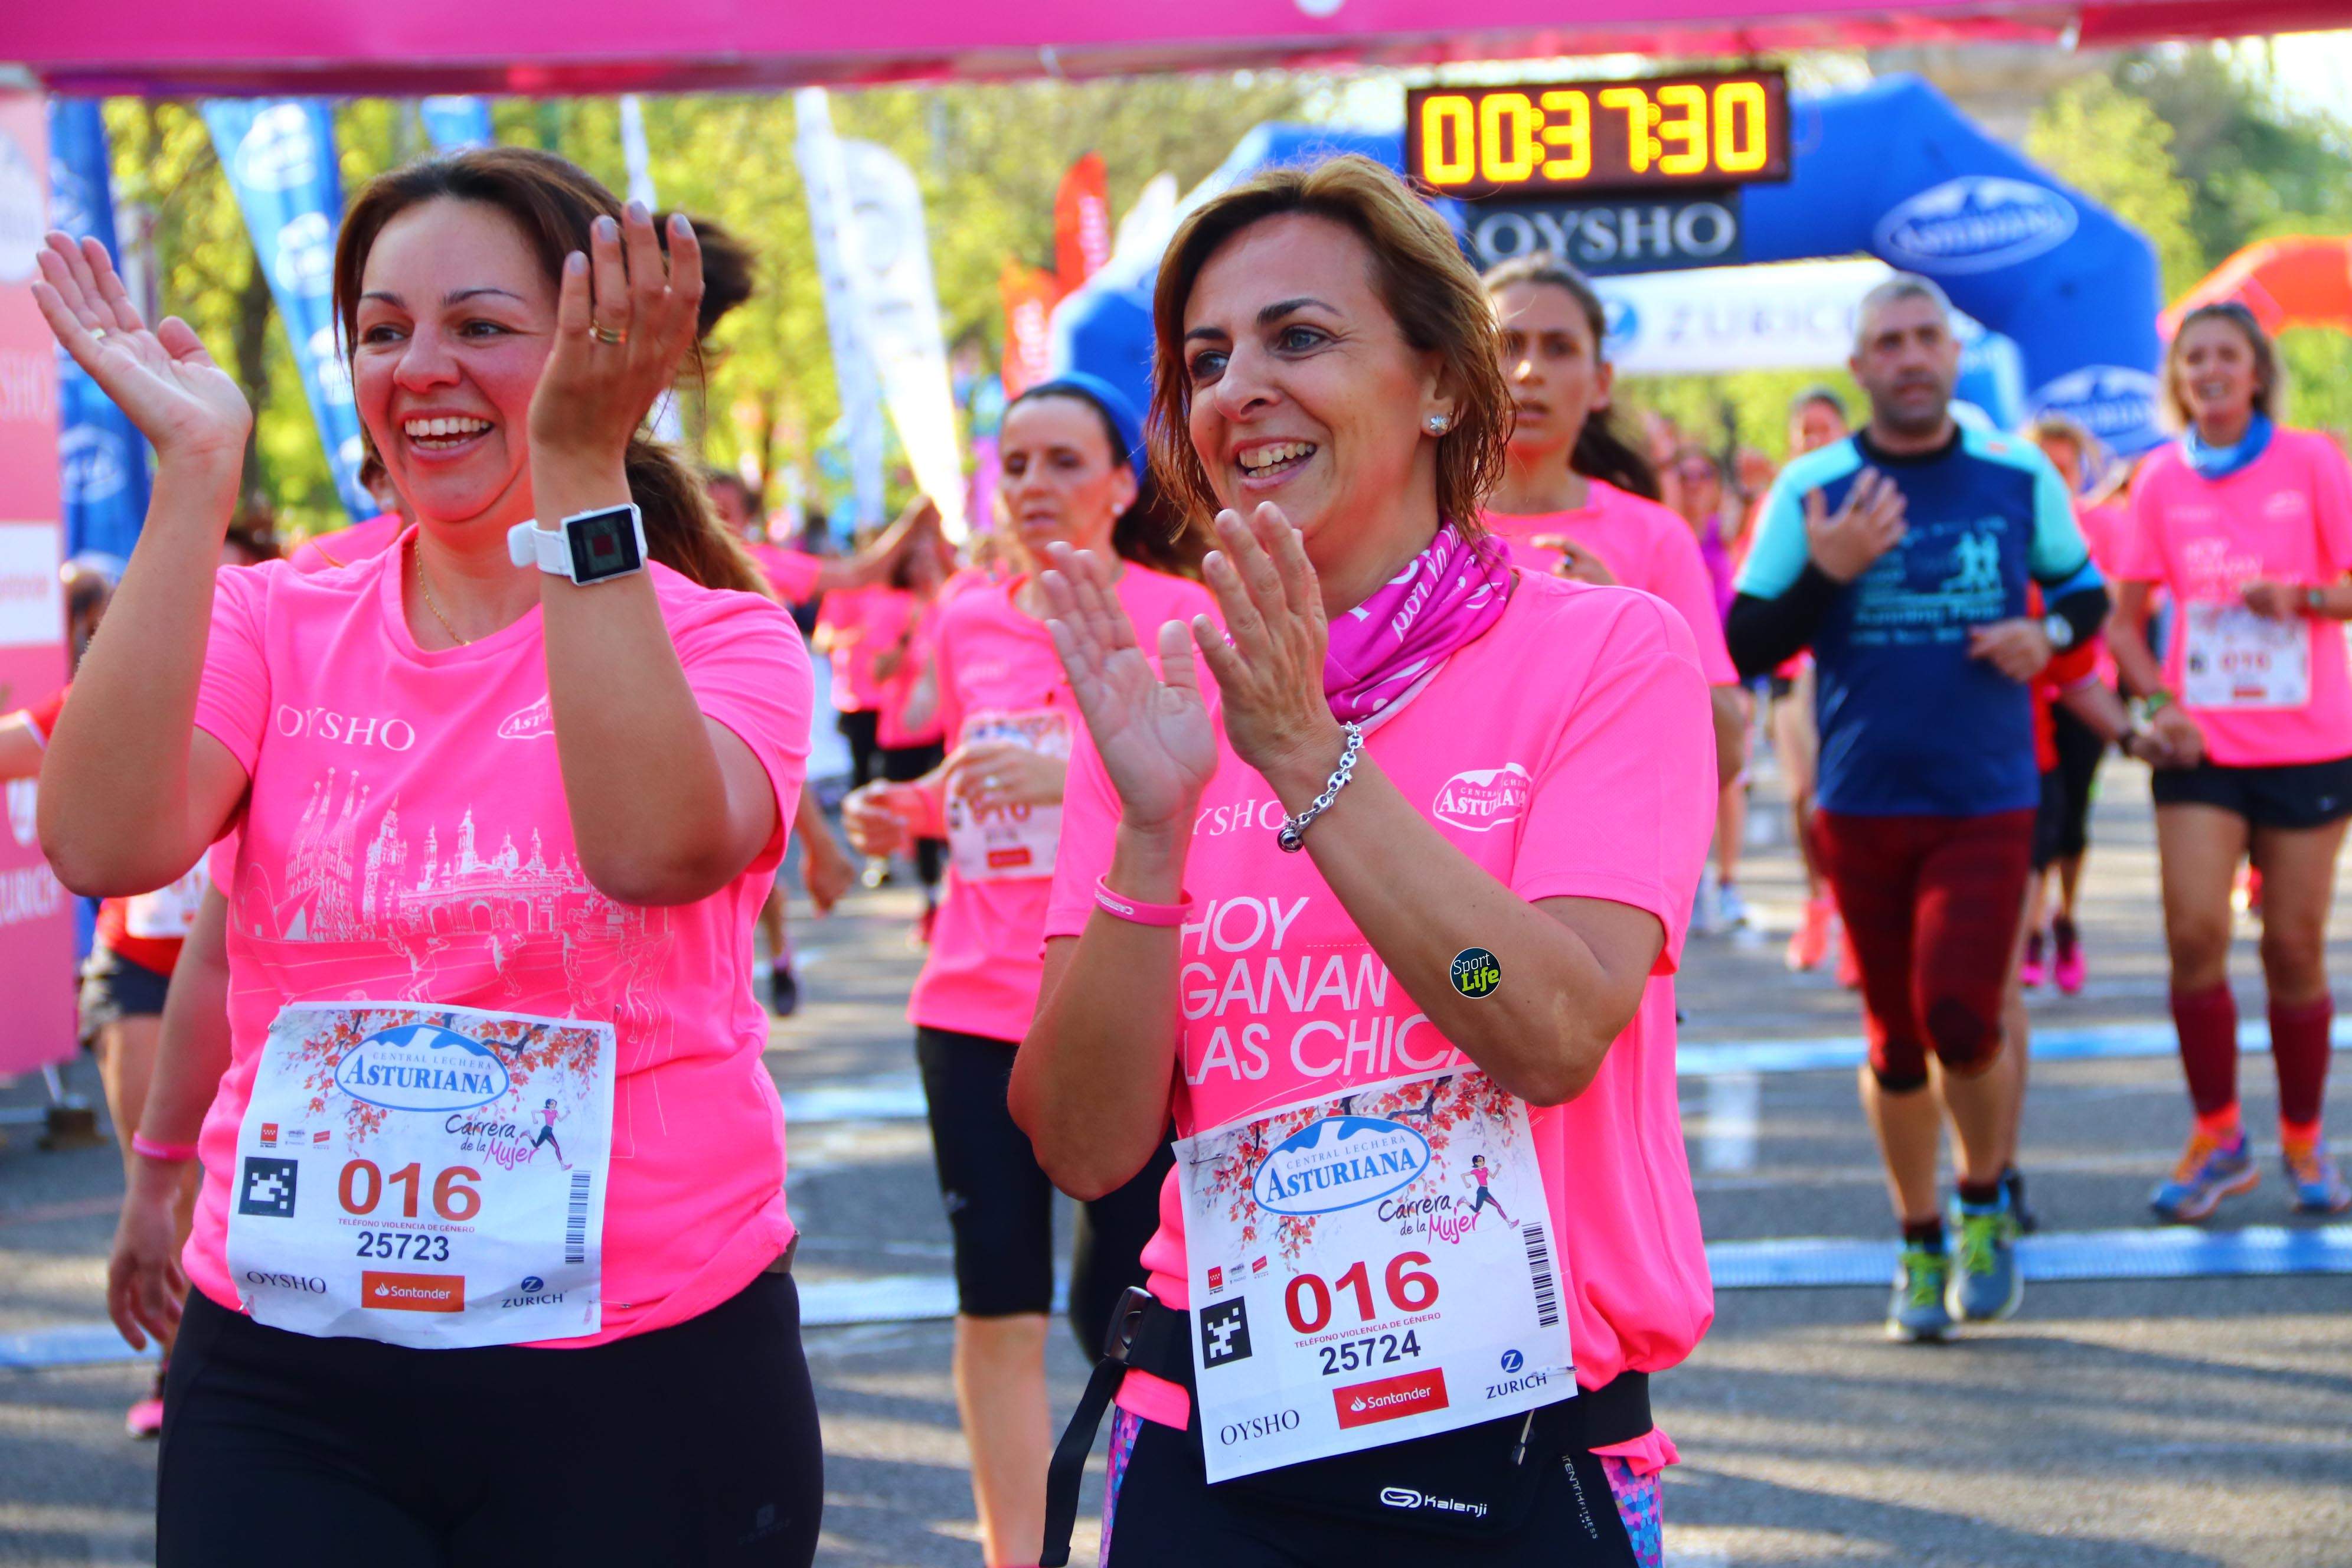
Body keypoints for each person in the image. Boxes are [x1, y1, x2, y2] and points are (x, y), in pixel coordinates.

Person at [35, 146, 825, 1563]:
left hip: (640, 1370)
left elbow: (651, 846)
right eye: (384, 331)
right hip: (292, 1371)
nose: (422, 369)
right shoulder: (278, 618)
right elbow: (101, 839)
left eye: (479, 326)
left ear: (597, 352)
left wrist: (579, 466)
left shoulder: (725, 639)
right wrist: (193, 479)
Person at [1019, 155, 1716, 1568]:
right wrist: (1150, 839)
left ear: (1444, 386)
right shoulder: (1159, 706)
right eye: (1208, 358)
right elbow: (1088, 1145)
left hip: (1522, 1440)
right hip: (1214, 1427)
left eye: (1302, 338)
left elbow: (1545, 1026)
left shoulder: (1604, 650)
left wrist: (1308, 757)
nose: (1238, 389)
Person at [842, 374, 1213, 1568]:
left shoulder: (1180, 615)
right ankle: (1018, 1556)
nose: (1036, 487)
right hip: (971, 1003)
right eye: (1016, 465)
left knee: (1128, 1313)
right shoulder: (965, 617)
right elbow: (976, 789)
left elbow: (1228, 798)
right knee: (994, 1306)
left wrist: (1080, 779)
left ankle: (1133, 1536)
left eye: (1064, 462)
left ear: (1122, 483)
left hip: (1122, 1005)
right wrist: (906, 810)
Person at [1726, 274, 2114, 1342]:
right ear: (1858, 368)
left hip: (1986, 795)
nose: (1906, 357)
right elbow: (1747, 642)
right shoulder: (1813, 485)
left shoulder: (2013, 471)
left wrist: (2051, 640)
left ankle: (1982, 1197)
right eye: (1884, 342)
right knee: (1895, 1040)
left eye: (1922, 339)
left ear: (1950, 357)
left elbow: (2085, 593)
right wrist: (1828, 571)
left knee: (1963, 1015)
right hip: (1859, 800)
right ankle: (1915, 1234)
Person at [2106, 302, 2352, 1219]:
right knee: (2195, 934)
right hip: (2201, 748)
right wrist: (2160, 707)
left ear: (2256, 374)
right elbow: (2124, 627)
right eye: (2192, 357)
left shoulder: (2313, 461)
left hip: (2309, 744)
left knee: (2293, 945)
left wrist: (2306, 598)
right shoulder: (2161, 480)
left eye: (2226, 356)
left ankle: (2303, 1136)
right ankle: (2218, 1135)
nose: (2208, 370)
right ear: (2178, 380)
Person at [1479, 254, 1747, 803]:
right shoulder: (1413, 524)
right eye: (1509, 346)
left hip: (1599, 853)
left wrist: (1625, 628)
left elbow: (1727, 748)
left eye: (1559, 348)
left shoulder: (1657, 535)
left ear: (1601, 383)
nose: (1530, 371)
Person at [705, 467, 858, 1012]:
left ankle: (774, 959)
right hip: (690, 725)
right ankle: (759, 967)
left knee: (752, 866)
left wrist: (917, 521)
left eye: (729, 511)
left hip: (754, 722)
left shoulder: (764, 566)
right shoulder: (660, 570)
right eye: (707, 507)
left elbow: (861, 572)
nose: (719, 520)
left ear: (748, 516)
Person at [2018, 415, 2112, 995]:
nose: (2054, 477)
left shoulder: (2103, 527)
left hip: (2084, 693)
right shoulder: (2005, 529)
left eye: (2064, 467)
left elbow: (2120, 610)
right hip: (2022, 700)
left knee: (2071, 821)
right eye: (2043, 467)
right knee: (2032, 822)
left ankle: (2066, 917)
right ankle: (2029, 928)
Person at [1773, 388, 1853, 974]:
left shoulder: (1864, 496)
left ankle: (1853, 921)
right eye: (1804, 431)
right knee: (1803, 795)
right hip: (1789, 671)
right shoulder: (1779, 504)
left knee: (1843, 796)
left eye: (1823, 429)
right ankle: (1816, 904)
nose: (1813, 440)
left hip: (1847, 668)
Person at [1664, 445, 1752, 933]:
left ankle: (1728, 881)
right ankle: (1689, 882)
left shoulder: (1725, 530)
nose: (1695, 483)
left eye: (1704, 474)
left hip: (1723, 670)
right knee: (1682, 779)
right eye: (1686, 473)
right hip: (1673, 668)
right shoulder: (1661, 531)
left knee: (1730, 776)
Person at [872, 533, 954, 940]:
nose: (923, 567)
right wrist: (907, 635)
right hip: (902, 732)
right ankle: (930, 901)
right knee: (919, 822)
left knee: (955, 819)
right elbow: (878, 672)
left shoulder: (954, 602)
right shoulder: (893, 607)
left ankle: (953, 902)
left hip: (946, 730)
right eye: (915, 560)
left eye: (931, 557)